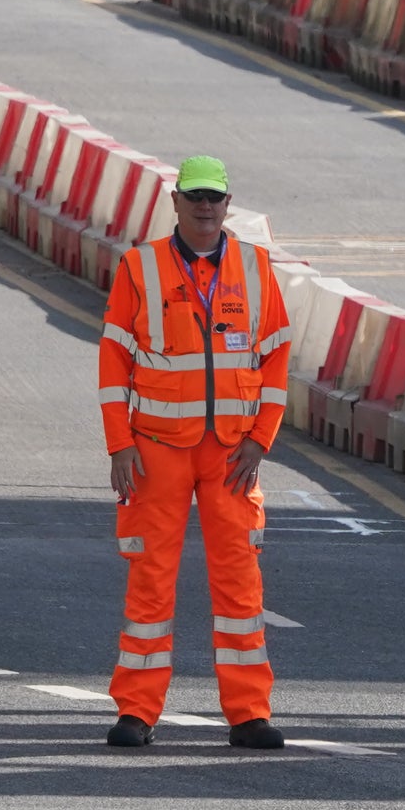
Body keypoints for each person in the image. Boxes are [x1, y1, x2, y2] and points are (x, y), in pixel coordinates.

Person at [97, 155, 293, 750]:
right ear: (175, 202)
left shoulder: (256, 269)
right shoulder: (140, 267)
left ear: (228, 205)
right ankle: (137, 710)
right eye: (195, 198)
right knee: (150, 581)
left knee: (240, 585)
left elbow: (277, 360)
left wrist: (262, 440)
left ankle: (248, 713)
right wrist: (120, 445)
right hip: (156, 450)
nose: (205, 208)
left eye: (215, 198)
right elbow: (113, 364)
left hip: (233, 454)